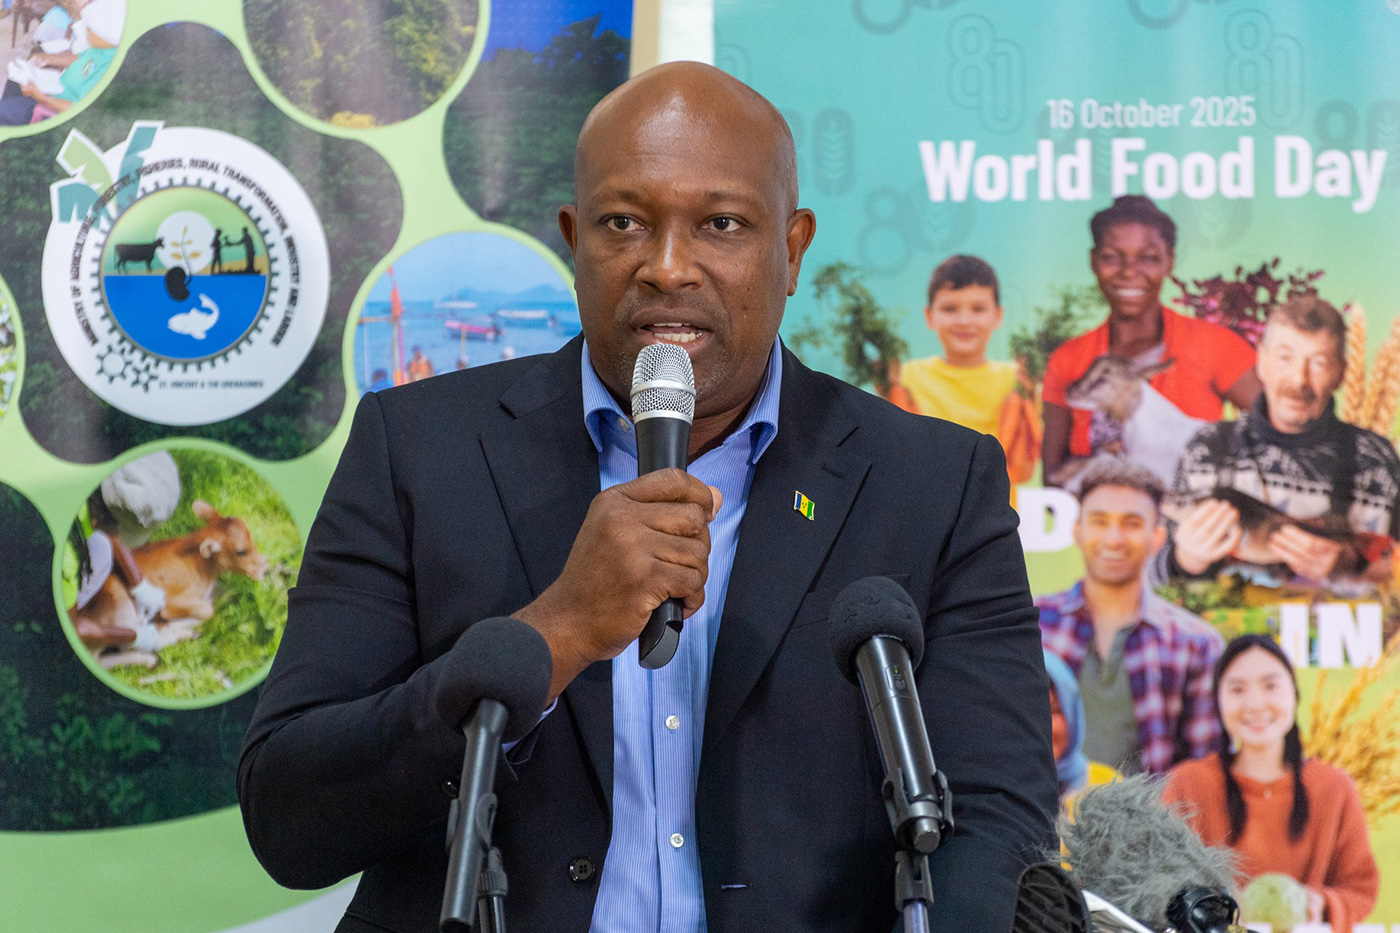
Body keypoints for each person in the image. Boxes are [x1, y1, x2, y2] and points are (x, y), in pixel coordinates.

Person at [238, 62, 1056, 933]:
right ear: (574, 239)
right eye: (624, 222)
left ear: (792, 249)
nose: (667, 268)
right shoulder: (417, 449)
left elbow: (995, 819)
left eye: (722, 224)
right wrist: (557, 632)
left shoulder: (934, 483)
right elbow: (289, 816)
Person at [1168, 295, 1400, 588]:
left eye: (1318, 363)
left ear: (1341, 373)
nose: (1299, 380)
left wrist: (1351, 569)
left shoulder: (1377, 460)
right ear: (1261, 361)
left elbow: (1395, 573)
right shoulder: (1208, 448)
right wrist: (1187, 560)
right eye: (1285, 358)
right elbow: (1153, 575)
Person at [1162, 635, 1379, 933]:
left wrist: (1318, 903)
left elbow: (1360, 889)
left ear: (1294, 694)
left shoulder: (1334, 787)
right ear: (1218, 700)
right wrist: (1213, 908)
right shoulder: (1186, 784)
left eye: (1270, 685)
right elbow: (1160, 884)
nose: (1255, 704)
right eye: (1237, 689)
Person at [1041, 195, 1261, 484]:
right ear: (1093, 261)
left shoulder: (1214, 345)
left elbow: (1283, 432)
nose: (1129, 272)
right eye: (1111, 257)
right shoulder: (1069, 359)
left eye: (1148, 258)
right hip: (1103, 512)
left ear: (1169, 261)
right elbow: (1052, 478)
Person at [1039, 460, 1223, 776]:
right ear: (1077, 531)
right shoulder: (1030, 627)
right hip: (1043, 808)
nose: (1114, 538)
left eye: (1132, 523)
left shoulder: (1197, 644)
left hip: (1151, 809)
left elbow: (1202, 775)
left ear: (1157, 538)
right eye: (1099, 521)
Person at [896, 254, 1041, 485]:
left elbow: (1023, 472)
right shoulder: (906, 377)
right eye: (950, 309)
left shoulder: (1017, 379)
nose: (964, 320)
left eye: (978, 309)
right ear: (929, 316)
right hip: (925, 501)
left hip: (996, 505)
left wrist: (1028, 401)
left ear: (998, 315)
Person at [0, 0, 121, 125]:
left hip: (56, 106)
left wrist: (38, 95)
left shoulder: (107, 68)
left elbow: (76, 108)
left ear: (104, 36)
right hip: (56, 85)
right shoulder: (101, 49)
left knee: (4, 111)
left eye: (90, 30)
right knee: (15, 80)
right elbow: (80, 58)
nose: (86, 32)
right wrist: (49, 58)